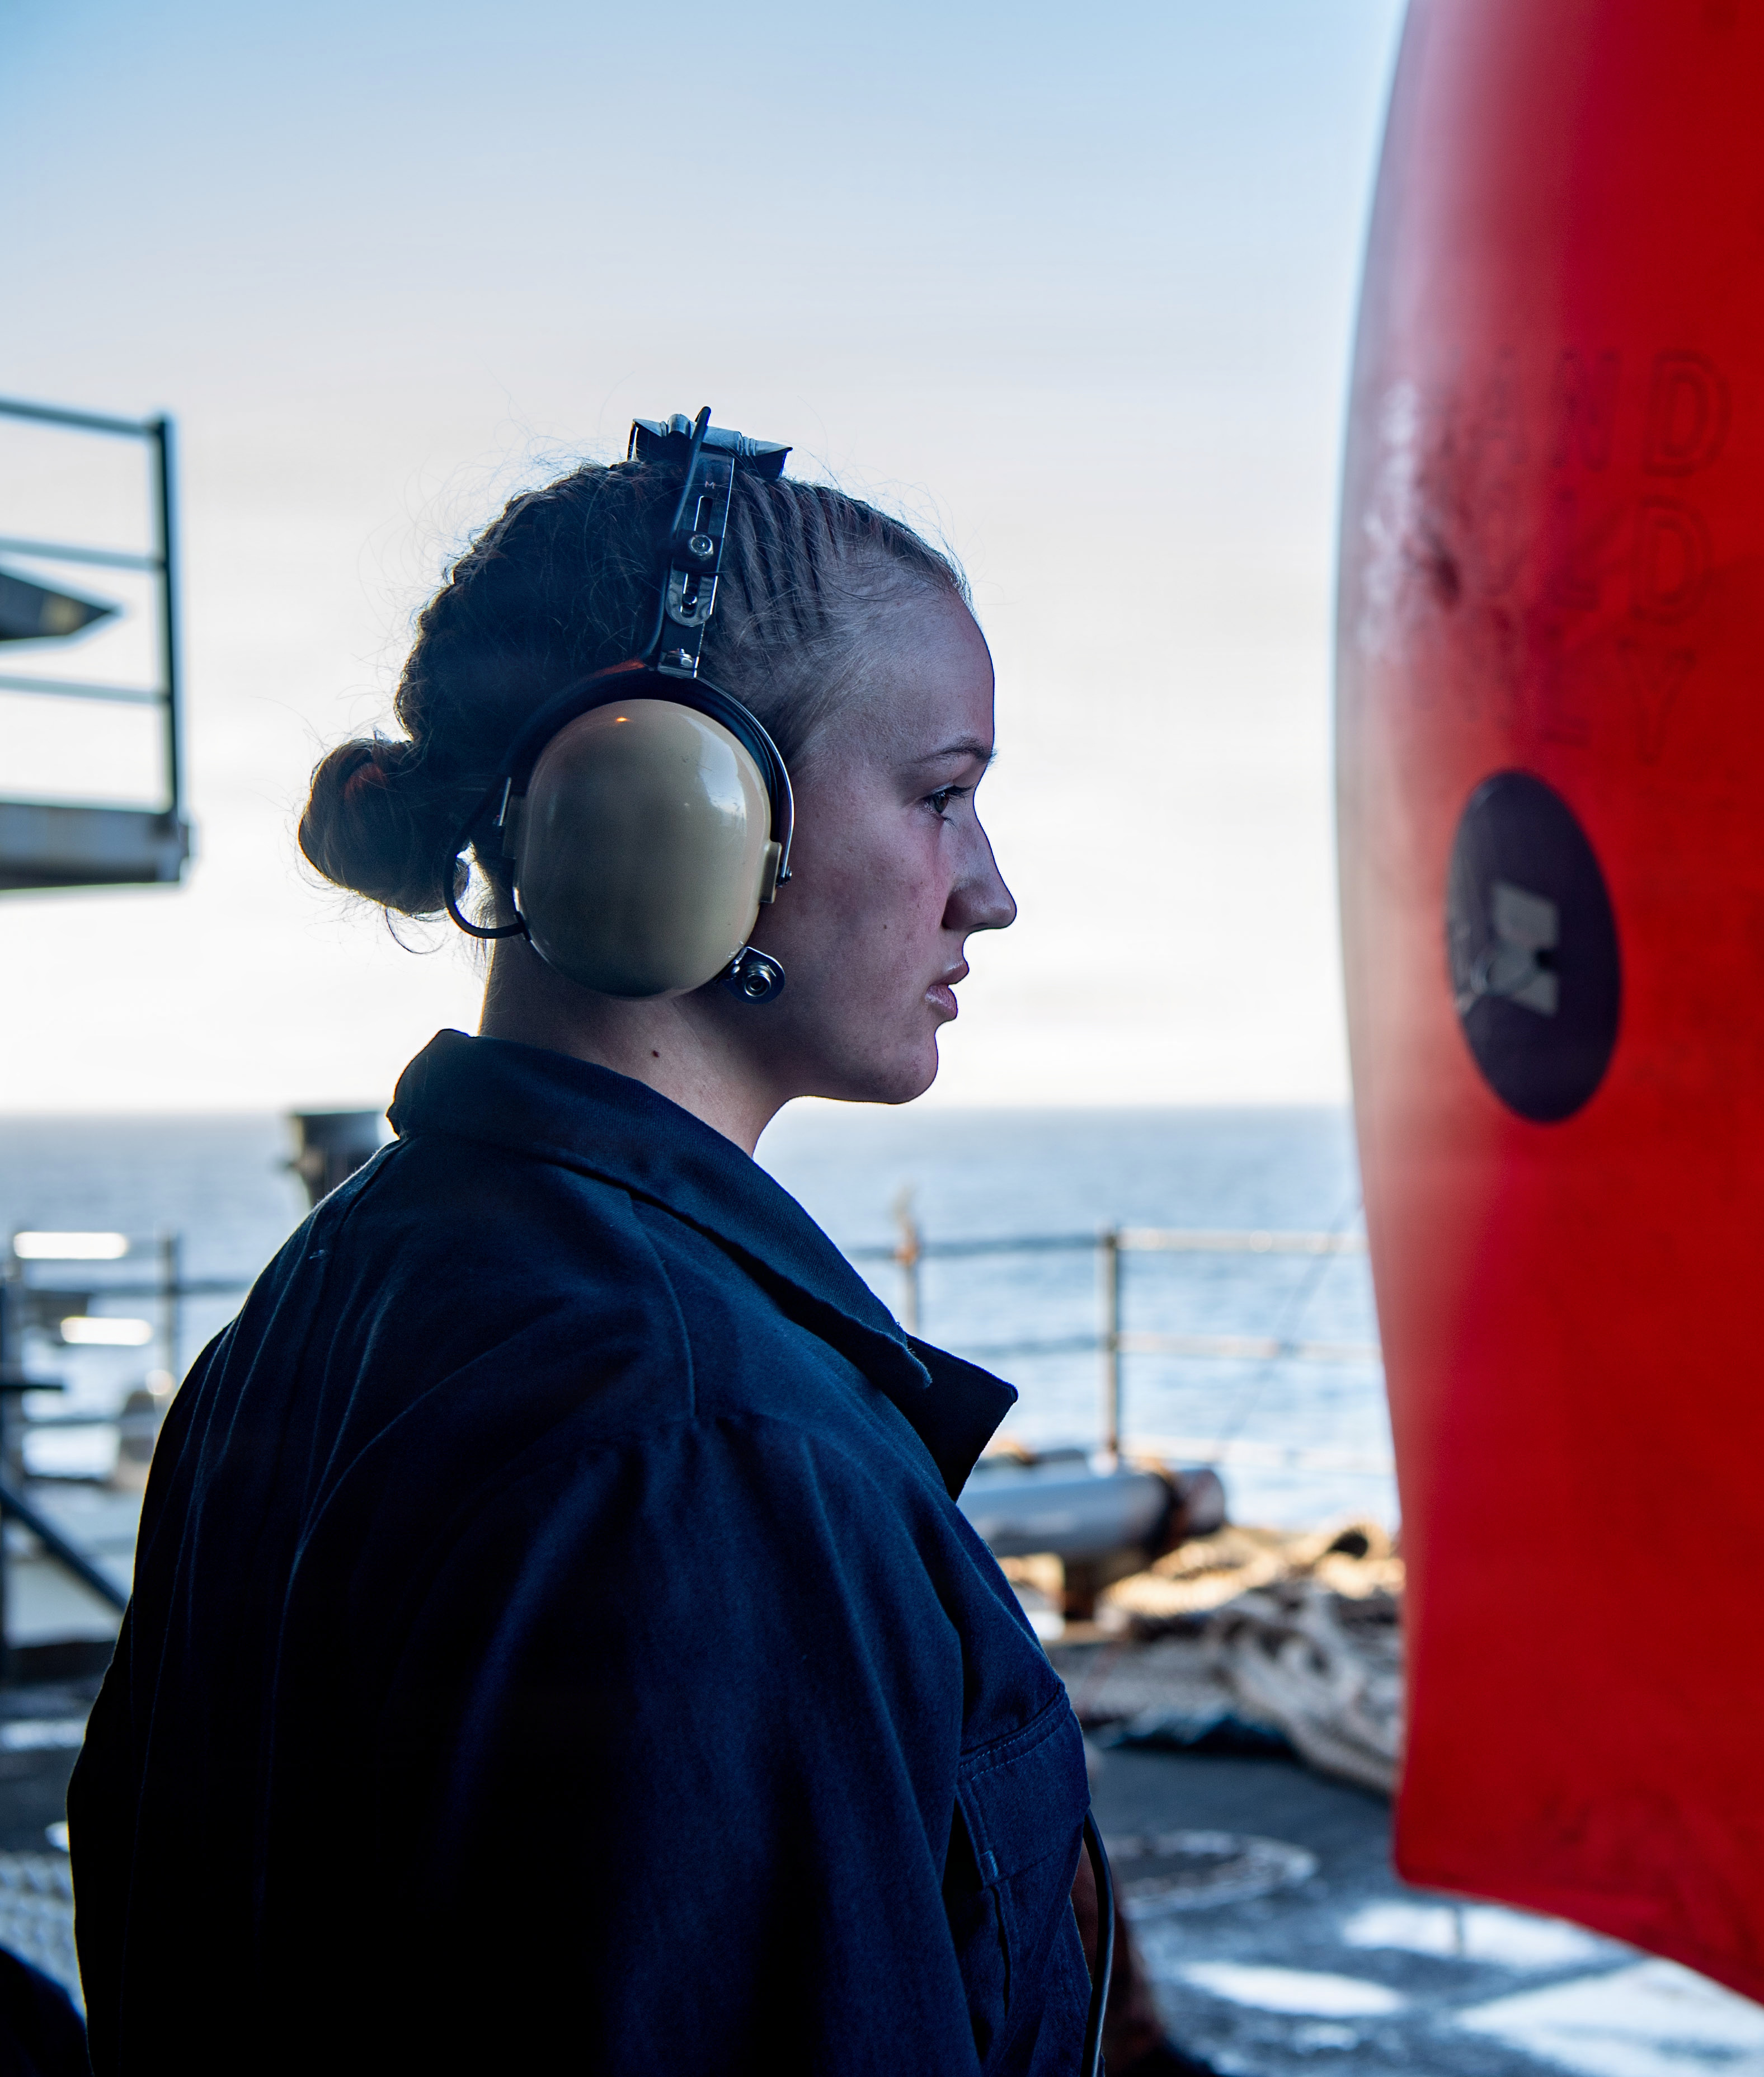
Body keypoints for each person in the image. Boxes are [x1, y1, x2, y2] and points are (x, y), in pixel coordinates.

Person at [69, 425, 1106, 2074]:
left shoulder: (327, 1296)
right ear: (689, 807)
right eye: (942, 797)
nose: (987, 891)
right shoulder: (699, 1445)